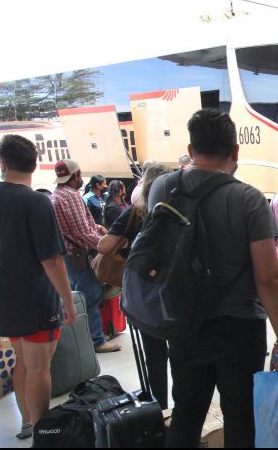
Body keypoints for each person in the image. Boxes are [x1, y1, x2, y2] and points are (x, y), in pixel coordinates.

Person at [147, 108, 278, 448]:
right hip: (239, 327)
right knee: (241, 415)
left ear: (191, 147)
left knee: (187, 411)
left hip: (183, 322)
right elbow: (269, 278)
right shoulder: (249, 198)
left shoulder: (162, 189)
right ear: (236, 151)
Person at [0, 135, 77, 440]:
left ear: (3, 163)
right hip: (34, 298)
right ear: (34, 164)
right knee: (39, 368)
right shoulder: (35, 202)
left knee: (22, 362)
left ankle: (28, 422)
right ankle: (45, 432)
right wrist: (67, 301)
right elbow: (52, 260)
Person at [98, 163, 170, 408]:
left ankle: (159, 408)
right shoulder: (183, 213)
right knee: (184, 355)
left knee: (154, 356)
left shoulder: (134, 214)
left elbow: (104, 247)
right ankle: (186, 413)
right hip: (177, 292)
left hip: (143, 296)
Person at [50, 160, 120, 353]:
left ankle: (84, 339)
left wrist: (96, 228)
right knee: (90, 295)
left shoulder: (56, 195)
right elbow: (81, 231)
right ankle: (97, 340)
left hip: (67, 254)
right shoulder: (70, 196)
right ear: (75, 176)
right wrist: (104, 244)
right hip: (78, 254)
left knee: (76, 295)